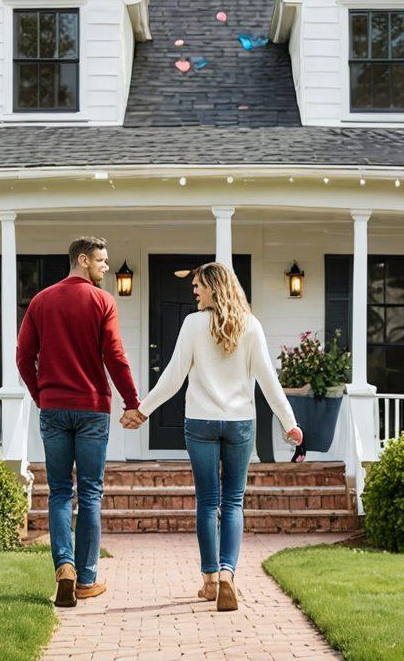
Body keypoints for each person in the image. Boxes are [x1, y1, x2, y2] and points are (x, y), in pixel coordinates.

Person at [122, 262, 302, 612]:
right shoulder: (251, 326)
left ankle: (208, 582)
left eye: (200, 286)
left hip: (201, 423)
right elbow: (269, 381)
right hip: (239, 424)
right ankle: (227, 576)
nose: (195, 291)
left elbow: (173, 377)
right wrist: (290, 422)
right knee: (233, 503)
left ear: (215, 289)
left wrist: (143, 410)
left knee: (207, 503)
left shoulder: (192, 325)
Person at [17, 236, 139, 608]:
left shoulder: (41, 301)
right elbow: (114, 356)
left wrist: (43, 397)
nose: (106, 266)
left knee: (58, 492)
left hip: (54, 409)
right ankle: (85, 580)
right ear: (83, 260)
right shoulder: (102, 301)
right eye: (101, 260)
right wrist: (132, 402)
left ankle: (64, 568)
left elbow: (24, 357)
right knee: (88, 494)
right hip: (91, 410)